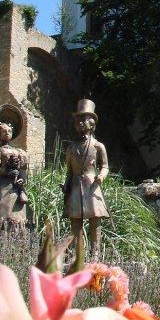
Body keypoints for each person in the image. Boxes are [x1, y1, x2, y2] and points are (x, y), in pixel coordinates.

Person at [63, 99, 109, 259]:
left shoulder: (98, 146)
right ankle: (77, 255)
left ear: (92, 123)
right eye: (79, 120)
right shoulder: (70, 148)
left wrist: (101, 177)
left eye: (85, 119)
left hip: (92, 186)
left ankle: (95, 255)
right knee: (76, 222)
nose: (81, 123)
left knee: (95, 221)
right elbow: (69, 172)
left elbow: (105, 166)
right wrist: (66, 185)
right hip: (76, 187)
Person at [0, 104, 29, 231]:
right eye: (4, 131)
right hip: (2, 186)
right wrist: (7, 172)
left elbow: (23, 170)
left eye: (9, 131)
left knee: (17, 218)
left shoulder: (20, 152)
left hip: (16, 188)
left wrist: (22, 179)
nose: (7, 133)